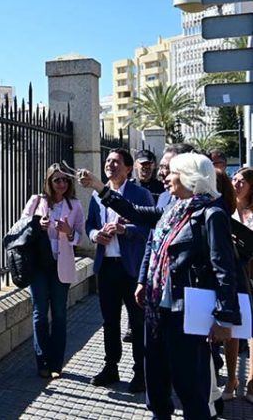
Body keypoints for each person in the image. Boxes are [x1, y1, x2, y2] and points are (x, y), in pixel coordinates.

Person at [80, 153, 241, 419]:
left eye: (172, 172)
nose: (165, 176)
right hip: (157, 311)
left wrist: (225, 318)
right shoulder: (171, 209)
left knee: (190, 387)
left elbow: (224, 270)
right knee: (156, 384)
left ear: (190, 177)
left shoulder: (211, 214)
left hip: (187, 313)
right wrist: (100, 187)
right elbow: (135, 215)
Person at [87, 149, 153, 392]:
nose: (110, 166)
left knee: (137, 323)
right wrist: (96, 235)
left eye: (116, 162)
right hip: (106, 267)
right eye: (107, 161)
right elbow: (90, 224)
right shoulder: (97, 194)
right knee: (109, 321)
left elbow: (150, 230)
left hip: (132, 268)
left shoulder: (140, 194)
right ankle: (111, 367)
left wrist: (127, 231)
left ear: (128, 168)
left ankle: (141, 372)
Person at [21, 164, 85, 380]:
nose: (61, 184)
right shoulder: (36, 201)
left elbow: (80, 235)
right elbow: (21, 228)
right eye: (57, 180)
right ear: (49, 182)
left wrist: (68, 233)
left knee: (59, 315)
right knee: (39, 314)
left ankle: (57, 363)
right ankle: (42, 362)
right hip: (39, 265)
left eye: (65, 180)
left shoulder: (74, 205)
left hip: (61, 265)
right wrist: (38, 225)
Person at [225, 167, 253, 402]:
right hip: (235, 276)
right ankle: (232, 379)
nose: (236, 184)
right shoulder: (227, 211)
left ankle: (252, 383)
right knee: (232, 331)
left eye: (242, 181)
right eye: (234, 179)